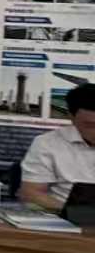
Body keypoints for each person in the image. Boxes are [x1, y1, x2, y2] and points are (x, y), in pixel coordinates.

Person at [19, 82, 95, 211]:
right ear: (71, 117)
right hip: (68, 216)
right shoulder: (47, 144)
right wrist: (75, 212)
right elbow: (31, 193)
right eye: (90, 125)